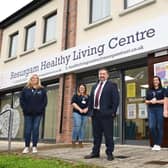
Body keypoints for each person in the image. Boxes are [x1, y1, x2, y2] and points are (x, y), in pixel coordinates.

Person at [84, 68, 119, 161]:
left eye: (103, 74)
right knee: (96, 135)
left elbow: (116, 100)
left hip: (107, 114)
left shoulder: (112, 85)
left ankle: (109, 153)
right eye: (100, 74)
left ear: (107, 75)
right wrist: (90, 113)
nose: (101, 75)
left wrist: (113, 112)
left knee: (108, 135)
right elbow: (91, 100)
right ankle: (95, 152)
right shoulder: (94, 86)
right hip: (95, 114)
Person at [20, 74, 47, 154]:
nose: (34, 79)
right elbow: (22, 100)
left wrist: (40, 109)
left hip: (38, 114)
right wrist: (25, 109)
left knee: (35, 129)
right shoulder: (25, 89)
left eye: (36, 78)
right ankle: (26, 147)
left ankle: (34, 146)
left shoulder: (42, 90)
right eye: (33, 78)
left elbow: (44, 102)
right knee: (28, 130)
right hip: (28, 114)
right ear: (30, 79)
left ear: (38, 80)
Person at [145, 76, 165, 151]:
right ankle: (156, 143)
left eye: (156, 80)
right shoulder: (149, 90)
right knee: (151, 127)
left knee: (159, 127)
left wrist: (156, 101)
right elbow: (146, 101)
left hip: (160, 109)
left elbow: (165, 100)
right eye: (154, 80)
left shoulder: (163, 90)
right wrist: (150, 101)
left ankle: (158, 144)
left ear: (159, 81)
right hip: (151, 109)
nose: (155, 81)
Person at [71, 83, 89, 148]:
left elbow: (90, 105)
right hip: (77, 113)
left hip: (85, 114)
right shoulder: (75, 96)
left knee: (82, 127)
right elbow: (73, 103)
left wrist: (86, 109)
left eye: (83, 88)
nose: (82, 89)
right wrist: (80, 109)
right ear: (78, 89)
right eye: (80, 88)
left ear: (85, 89)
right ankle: (73, 141)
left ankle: (80, 141)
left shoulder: (87, 96)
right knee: (77, 126)